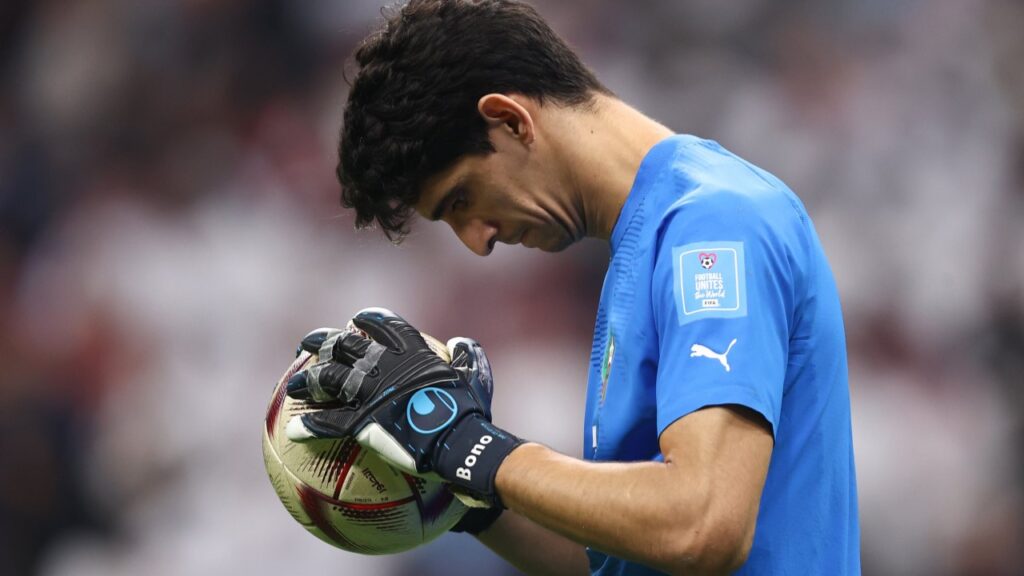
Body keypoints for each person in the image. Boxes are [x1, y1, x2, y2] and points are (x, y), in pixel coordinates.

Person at [284, 1, 860, 574]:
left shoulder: (712, 227)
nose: (477, 242)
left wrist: (470, 447)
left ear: (510, 120)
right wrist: (462, 496)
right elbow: (620, 563)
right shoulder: (644, 249)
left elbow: (703, 526)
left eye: (461, 199)